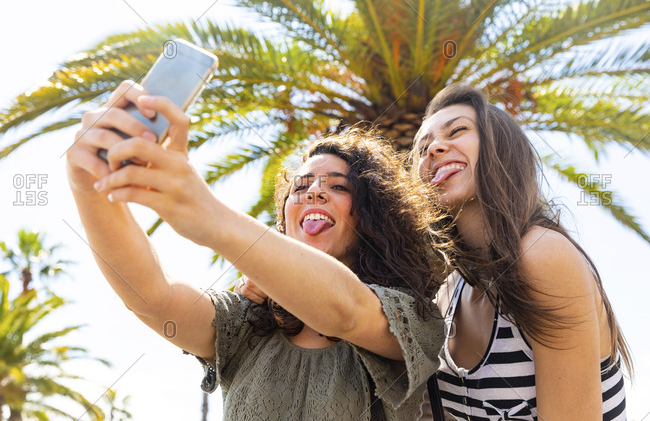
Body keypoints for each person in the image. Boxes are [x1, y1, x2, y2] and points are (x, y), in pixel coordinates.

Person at [65, 80, 454, 420]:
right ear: (284, 221)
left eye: (338, 186)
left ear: (373, 217)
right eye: (299, 188)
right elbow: (152, 296)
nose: (313, 191)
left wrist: (211, 218)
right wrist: (88, 184)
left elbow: (346, 311)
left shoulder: (412, 318)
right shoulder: (246, 325)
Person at [411, 83, 632, 420]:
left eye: (457, 130)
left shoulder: (541, 255)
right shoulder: (448, 292)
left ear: (500, 148)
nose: (434, 149)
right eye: (422, 148)